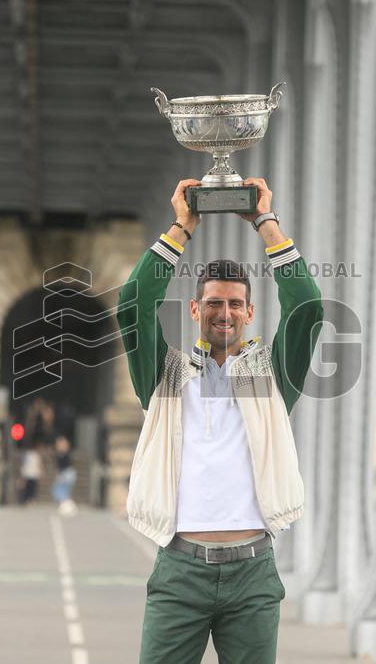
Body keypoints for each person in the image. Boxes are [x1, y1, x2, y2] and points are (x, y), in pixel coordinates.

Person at [117, 178, 323, 664]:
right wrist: (179, 231)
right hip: (179, 572)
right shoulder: (164, 375)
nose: (223, 313)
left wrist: (266, 225)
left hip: (252, 574)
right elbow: (132, 306)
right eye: (213, 302)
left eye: (234, 304)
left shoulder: (273, 378)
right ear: (194, 310)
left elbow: (309, 308)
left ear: (250, 312)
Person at [52, 435, 78, 516]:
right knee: (60, 491)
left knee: (61, 491)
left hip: (67, 473)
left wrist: (59, 475)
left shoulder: (64, 453)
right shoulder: (60, 454)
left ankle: (69, 507)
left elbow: (63, 466)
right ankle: (66, 506)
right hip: (66, 473)